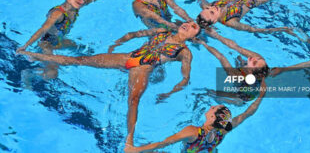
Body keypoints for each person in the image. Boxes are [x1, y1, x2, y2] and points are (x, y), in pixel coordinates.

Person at [19, 22, 200, 147]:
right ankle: (33, 55)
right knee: (81, 59)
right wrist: (117, 44)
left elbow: (185, 78)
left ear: (193, 37)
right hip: (126, 58)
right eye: (189, 22)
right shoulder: (162, 31)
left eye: (193, 27)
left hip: (143, 69)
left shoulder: (184, 52)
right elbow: (134, 34)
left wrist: (169, 94)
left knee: (134, 100)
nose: (188, 24)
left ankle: (129, 141)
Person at [16, 0, 127, 79]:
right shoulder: (58, 13)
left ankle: (37, 59)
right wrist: (25, 46)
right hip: (47, 44)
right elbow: (43, 29)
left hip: (60, 41)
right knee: (52, 74)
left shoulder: (76, 7)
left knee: (87, 51)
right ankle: (30, 73)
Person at [124, 78, 266, 152]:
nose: (211, 106)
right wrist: (261, 96)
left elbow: (164, 143)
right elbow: (248, 113)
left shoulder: (193, 131)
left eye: (214, 108)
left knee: (147, 150)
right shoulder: (222, 132)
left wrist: (136, 150)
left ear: (212, 117)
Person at [198, 29, 269, 104]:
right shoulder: (258, 59)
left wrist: (204, 44)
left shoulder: (235, 75)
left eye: (254, 62)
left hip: (245, 95)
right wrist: (217, 35)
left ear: (250, 71)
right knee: (238, 57)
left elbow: (221, 57)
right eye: (258, 59)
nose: (254, 58)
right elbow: (237, 47)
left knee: (217, 95)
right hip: (254, 79)